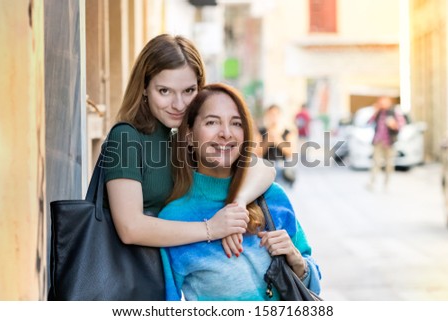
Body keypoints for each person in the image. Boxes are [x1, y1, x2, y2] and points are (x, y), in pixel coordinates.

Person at [103, 34, 275, 297]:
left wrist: (236, 207)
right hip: (128, 275)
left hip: (166, 278)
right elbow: (130, 228)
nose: (179, 104)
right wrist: (213, 228)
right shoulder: (127, 137)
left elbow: (262, 168)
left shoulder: (183, 138)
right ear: (144, 88)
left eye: (188, 91)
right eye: (164, 91)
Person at [160, 83, 321, 300]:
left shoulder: (272, 197)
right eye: (212, 122)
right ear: (189, 135)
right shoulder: (173, 219)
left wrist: (297, 260)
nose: (226, 133)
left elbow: (313, 284)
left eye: (236, 123)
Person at [366, 96, 405, 190]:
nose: (382, 104)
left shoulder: (394, 112)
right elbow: (369, 122)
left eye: (384, 102)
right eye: (381, 102)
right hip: (378, 141)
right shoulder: (378, 112)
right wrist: (375, 111)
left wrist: (394, 125)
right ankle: (372, 183)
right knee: (376, 162)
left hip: (389, 142)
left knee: (389, 164)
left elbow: (401, 124)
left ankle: (386, 184)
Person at [259, 104, 298, 188]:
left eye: (276, 114)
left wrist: (278, 140)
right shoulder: (261, 132)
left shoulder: (288, 132)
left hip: (282, 169)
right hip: (266, 169)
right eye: (271, 114)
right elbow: (257, 153)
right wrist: (267, 141)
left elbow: (291, 152)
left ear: (280, 116)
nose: (273, 117)